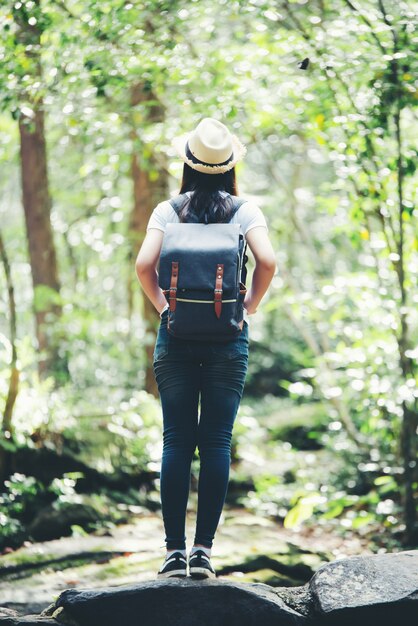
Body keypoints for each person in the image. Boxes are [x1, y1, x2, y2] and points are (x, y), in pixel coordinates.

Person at [135, 117, 276, 579]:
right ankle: (203, 553)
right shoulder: (245, 210)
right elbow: (268, 261)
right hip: (227, 339)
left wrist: (164, 308)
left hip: (175, 337)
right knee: (216, 441)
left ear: (188, 164)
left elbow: (143, 266)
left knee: (176, 439)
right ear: (230, 166)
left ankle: (173, 553)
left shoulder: (166, 210)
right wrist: (247, 306)